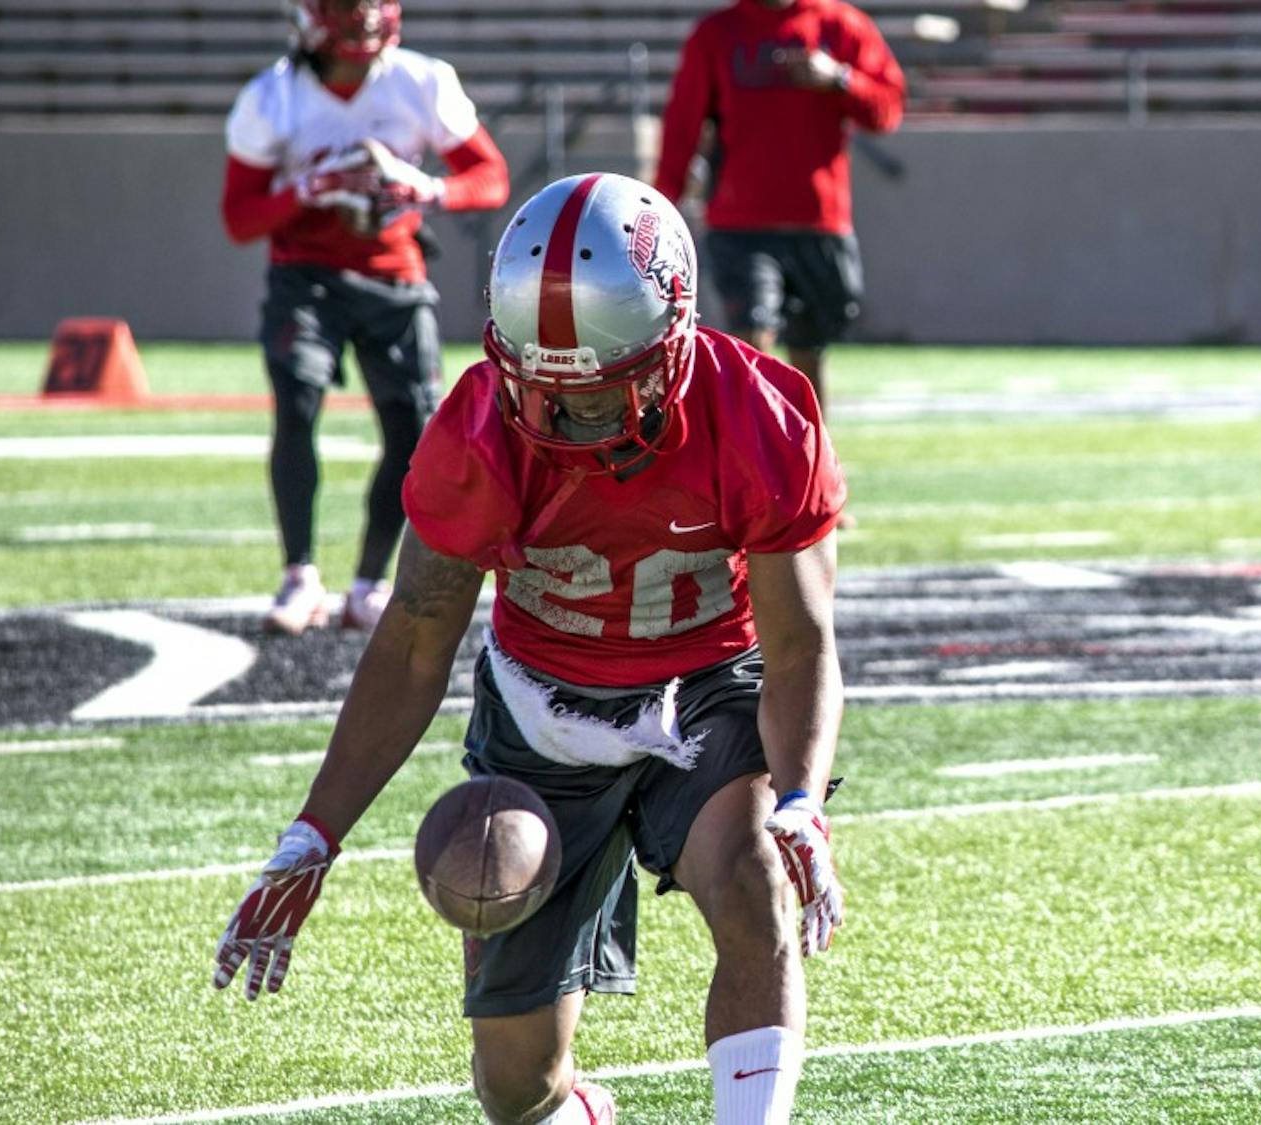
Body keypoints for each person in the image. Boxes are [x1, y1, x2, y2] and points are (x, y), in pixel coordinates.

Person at [212, 173, 848, 1125]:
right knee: (515, 1086)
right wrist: (316, 832)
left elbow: (799, 646)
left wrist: (800, 798)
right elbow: (417, 639)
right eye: (541, 390)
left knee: (757, 877)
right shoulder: (479, 429)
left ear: (671, 338)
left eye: (595, 395)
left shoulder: (759, 414)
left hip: (706, 688)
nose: (561, 421)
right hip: (543, 708)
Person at [221, 0, 509, 635]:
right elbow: (239, 218)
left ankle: (369, 582)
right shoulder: (273, 97)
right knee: (297, 406)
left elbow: (490, 177)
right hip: (306, 275)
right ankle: (300, 575)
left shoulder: (420, 80)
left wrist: (425, 188)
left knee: (413, 430)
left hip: (395, 273)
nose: (365, 15)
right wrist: (306, 191)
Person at [653, 0, 905, 418]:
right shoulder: (717, 34)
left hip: (819, 221)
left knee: (810, 350)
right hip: (741, 222)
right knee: (752, 340)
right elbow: (683, 125)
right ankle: (755, 458)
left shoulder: (841, 26)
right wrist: (663, 202)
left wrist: (839, 77)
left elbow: (887, 110)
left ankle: (811, 461)